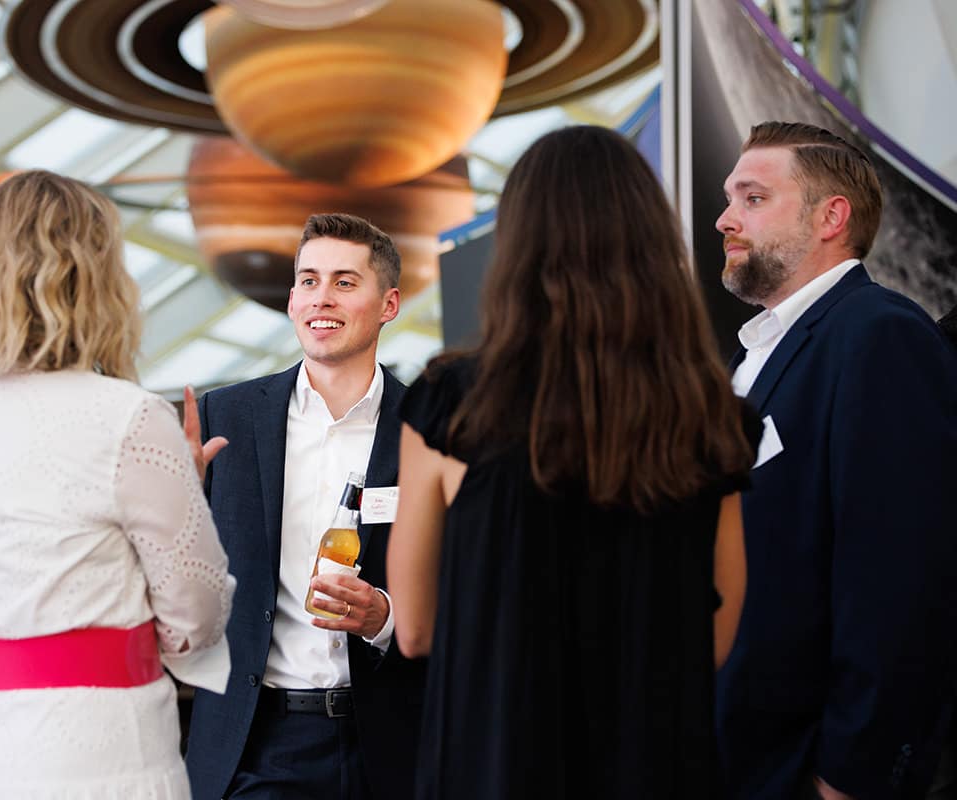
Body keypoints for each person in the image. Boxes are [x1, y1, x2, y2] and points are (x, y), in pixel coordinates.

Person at [385, 125, 758, 799]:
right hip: (656, 768)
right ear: (652, 244)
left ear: (517, 246)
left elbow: (413, 630)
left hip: (495, 763)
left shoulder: (453, 407)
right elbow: (715, 642)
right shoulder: (710, 418)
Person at [0, 170, 235, 799]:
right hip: (103, 748)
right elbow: (198, 614)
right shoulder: (126, 415)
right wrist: (183, 485)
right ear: (99, 281)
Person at [714, 121, 957, 800]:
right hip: (738, 758)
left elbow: (901, 579)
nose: (725, 218)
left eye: (753, 198)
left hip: (807, 771)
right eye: (731, 198)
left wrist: (851, 775)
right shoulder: (754, 354)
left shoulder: (879, 335)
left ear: (831, 217)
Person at [184, 213, 427, 800]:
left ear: (388, 304)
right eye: (309, 280)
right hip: (256, 742)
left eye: (345, 282)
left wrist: (384, 617)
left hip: (392, 743)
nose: (323, 298)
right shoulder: (227, 418)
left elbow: (469, 582)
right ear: (292, 299)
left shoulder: (429, 424)